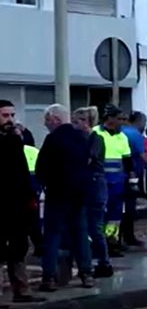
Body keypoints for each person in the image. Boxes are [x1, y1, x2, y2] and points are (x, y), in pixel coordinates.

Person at [36, 104, 94, 291]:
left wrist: (46, 183)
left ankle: (49, 277)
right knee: (80, 233)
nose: (46, 124)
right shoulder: (82, 137)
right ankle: (86, 274)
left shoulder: (53, 139)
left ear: (55, 119)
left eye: (47, 120)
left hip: (58, 193)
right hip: (80, 193)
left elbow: (41, 167)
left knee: (53, 234)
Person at [0, 99, 42, 303]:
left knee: (18, 247)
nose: (10, 120)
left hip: (18, 203)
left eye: (12, 115)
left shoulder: (16, 140)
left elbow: (22, 171)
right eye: (5, 116)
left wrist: (29, 198)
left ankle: (22, 291)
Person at [73, 106, 113, 278]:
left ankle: (104, 263)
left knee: (94, 226)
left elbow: (87, 159)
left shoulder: (94, 139)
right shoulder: (83, 138)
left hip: (94, 184)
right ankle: (94, 261)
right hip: (89, 184)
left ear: (85, 122)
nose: (74, 125)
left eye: (76, 122)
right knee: (88, 226)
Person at [96, 106, 133, 257]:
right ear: (110, 118)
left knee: (115, 215)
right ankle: (99, 244)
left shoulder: (122, 137)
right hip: (100, 182)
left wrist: (132, 179)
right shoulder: (96, 133)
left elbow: (127, 160)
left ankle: (112, 242)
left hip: (118, 183)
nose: (122, 122)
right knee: (100, 214)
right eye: (119, 119)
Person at [121, 111, 147, 248]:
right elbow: (143, 156)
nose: (145, 125)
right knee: (130, 207)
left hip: (118, 176)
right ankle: (128, 237)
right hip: (132, 176)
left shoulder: (120, 132)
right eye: (144, 122)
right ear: (139, 122)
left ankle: (116, 238)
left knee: (117, 208)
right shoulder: (136, 135)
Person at [21, 130, 43, 257]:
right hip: (33, 190)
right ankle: (39, 245)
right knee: (33, 219)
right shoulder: (34, 151)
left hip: (25, 189)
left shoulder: (26, 151)